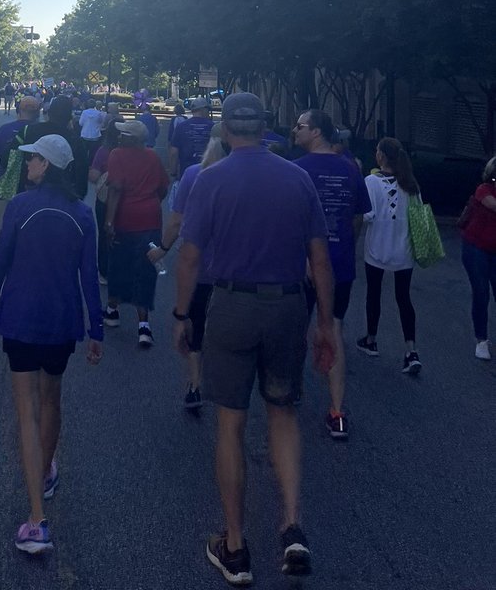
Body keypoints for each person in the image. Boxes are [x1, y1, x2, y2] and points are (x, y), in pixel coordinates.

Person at [173, 92, 335, 584]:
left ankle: (236, 546)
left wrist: (182, 315)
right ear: (266, 129)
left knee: (231, 423)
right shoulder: (298, 177)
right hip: (288, 304)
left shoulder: (210, 179)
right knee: (284, 413)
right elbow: (320, 259)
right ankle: (291, 525)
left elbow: (189, 257)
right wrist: (325, 322)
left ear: (224, 131)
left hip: (231, 305)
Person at [0, 134, 104, 555]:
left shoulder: (21, 206)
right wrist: (97, 331)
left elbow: (0, 257)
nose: (28, 164)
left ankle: (37, 520)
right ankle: (47, 468)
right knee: (52, 398)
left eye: (33, 158)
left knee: (26, 412)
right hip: (62, 320)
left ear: (46, 165)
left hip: (20, 317)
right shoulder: (82, 214)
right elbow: (89, 276)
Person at [293, 108, 371, 440]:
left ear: (317, 132)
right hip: (339, 265)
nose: (294, 130)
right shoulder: (351, 170)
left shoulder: (295, 171)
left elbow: (289, 223)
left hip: (299, 265)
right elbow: (358, 217)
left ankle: (289, 390)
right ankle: (337, 411)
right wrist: (342, 247)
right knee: (334, 329)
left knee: (296, 327)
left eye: (300, 126)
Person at [149, 135, 227, 411]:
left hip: (199, 266)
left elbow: (177, 220)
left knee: (194, 324)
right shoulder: (248, 176)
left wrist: (163, 248)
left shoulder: (195, 174)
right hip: (233, 268)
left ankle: (195, 384)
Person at [356, 137, 423, 374]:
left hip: (377, 247)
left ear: (382, 155)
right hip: (404, 250)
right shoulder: (411, 184)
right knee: (403, 298)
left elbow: (367, 215)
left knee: (373, 294)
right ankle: (411, 350)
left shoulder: (371, 182)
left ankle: (371, 339)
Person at [103, 119, 169, 347]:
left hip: (124, 218)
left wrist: (109, 221)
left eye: (123, 134)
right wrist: (150, 201)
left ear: (130, 139)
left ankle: (112, 311)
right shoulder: (152, 156)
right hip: (150, 218)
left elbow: (115, 188)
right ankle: (144, 326)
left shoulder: (117, 155)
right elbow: (164, 186)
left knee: (118, 265)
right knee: (144, 269)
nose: (119, 136)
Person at [0, 95, 41, 236]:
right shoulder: (41, 131)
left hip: (6, 186)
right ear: (37, 113)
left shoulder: (5, 130)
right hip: (33, 188)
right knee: (30, 230)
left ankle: (0, 256)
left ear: (18, 110)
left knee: (1, 228)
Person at [459, 155, 496, 359]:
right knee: (481, 292)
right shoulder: (484, 190)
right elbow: (491, 204)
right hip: (476, 247)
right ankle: (481, 340)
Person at [88, 118, 122, 284]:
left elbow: (94, 176)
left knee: (104, 233)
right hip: (128, 199)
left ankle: (104, 272)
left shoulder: (103, 151)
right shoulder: (135, 152)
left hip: (105, 199)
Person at [169, 97, 214, 179]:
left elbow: (174, 152)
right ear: (203, 109)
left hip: (186, 173)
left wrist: (173, 171)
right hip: (208, 174)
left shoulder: (181, 127)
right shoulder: (213, 127)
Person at [78, 98, 107, 164]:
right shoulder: (98, 113)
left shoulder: (84, 112)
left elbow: (80, 123)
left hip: (85, 134)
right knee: (93, 152)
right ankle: (91, 165)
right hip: (95, 135)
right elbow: (100, 122)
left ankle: (84, 163)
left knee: (84, 152)